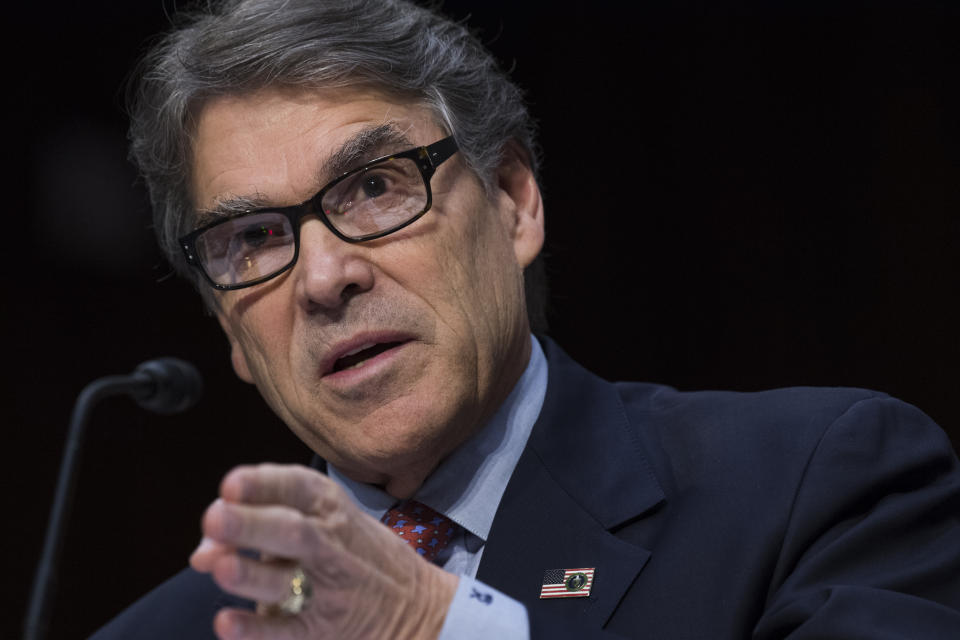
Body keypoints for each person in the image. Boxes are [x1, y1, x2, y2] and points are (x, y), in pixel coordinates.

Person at [93, 0, 960, 638]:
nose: (324, 277)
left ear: (513, 202)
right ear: (225, 325)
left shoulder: (814, 488)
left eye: (375, 187)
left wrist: (443, 628)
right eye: (253, 237)